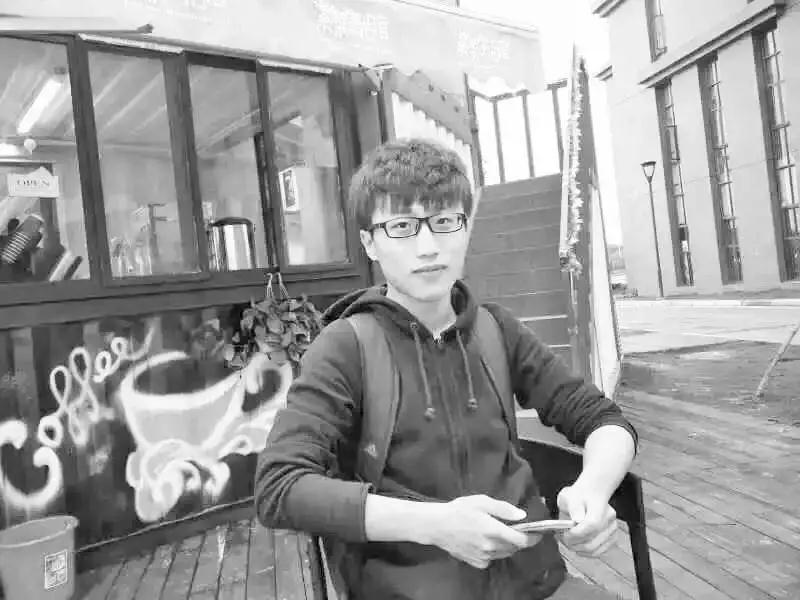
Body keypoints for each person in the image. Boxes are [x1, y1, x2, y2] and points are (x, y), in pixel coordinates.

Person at [254, 138, 638, 599]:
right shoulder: (345, 347)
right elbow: (280, 486)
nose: (428, 247)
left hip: (539, 586)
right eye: (401, 226)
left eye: (444, 221)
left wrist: (593, 491)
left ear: (465, 228)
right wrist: (436, 525)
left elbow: (604, 420)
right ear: (369, 243)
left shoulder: (497, 330)